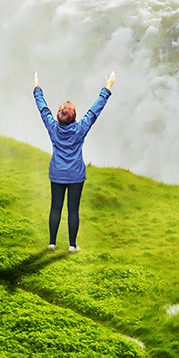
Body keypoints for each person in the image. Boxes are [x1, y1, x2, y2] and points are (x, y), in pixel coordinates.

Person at [34, 70, 113, 252]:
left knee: (55, 208)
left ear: (59, 117)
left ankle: (52, 243)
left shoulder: (52, 127)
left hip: (57, 173)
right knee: (73, 210)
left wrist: (37, 88)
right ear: (74, 117)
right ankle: (72, 245)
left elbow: (43, 109)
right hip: (76, 175)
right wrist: (107, 88)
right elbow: (94, 112)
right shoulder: (80, 129)